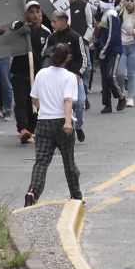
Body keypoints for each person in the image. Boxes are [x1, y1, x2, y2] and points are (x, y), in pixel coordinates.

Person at [23, 43, 81, 206]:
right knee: (68, 161)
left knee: (41, 161)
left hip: (43, 122)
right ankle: (76, 195)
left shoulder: (41, 74)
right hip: (62, 121)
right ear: (68, 58)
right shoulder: (69, 77)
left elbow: (34, 98)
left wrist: (44, 108)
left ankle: (32, 192)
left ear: (51, 55)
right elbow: (68, 100)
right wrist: (68, 121)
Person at [43, 10, 89, 142]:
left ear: (63, 22)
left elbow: (83, 58)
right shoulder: (51, 38)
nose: (52, 24)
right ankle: (65, 129)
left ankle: (79, 126)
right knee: (61, 105)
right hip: (57, 78)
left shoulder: (75, 37)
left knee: (79, 102)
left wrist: (79, 74)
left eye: (54, 21)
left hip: (73, 77)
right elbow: (45, 54)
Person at [10, 1, 51, 143]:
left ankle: (32, 129)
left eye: (37, 12)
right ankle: (22, 129)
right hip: (19, 72)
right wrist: (21, 31)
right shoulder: (19, 27)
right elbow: (11, 37)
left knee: (33, 103)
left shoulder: (46, 33)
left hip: (37, 74)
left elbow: (46, 54)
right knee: (20, 101)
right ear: (26, 14)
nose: (35, 15)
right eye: (31, 12)